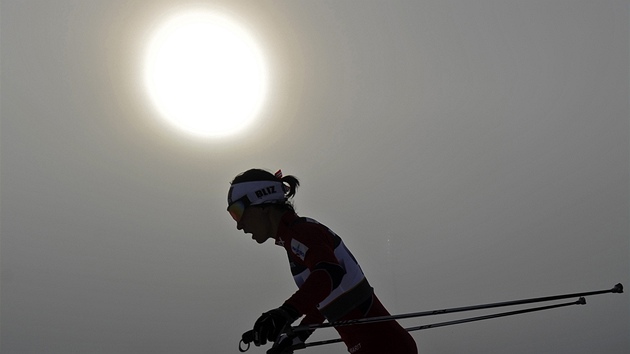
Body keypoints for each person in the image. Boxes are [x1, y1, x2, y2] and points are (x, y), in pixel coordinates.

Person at [227, 168, 418, 354]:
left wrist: (286, 312)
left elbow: (329, 273)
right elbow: (327, 296)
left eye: (237, 211)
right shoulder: (293, 237)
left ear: (262, 204)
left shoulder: (301, 233)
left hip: (384, 347)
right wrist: (298, 335)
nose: (238, 225)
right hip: (379, 346)